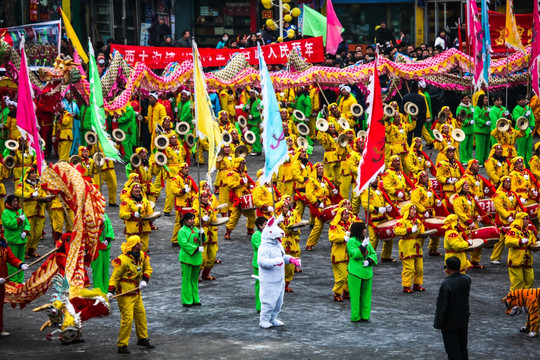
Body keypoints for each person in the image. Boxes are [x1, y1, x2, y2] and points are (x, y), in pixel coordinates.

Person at [107, 235, 154, 354]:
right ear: (134, 246)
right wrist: (110, 291)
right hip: (124, 293)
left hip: (136, 291)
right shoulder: (122, 259)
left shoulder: (142, 255)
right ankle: (122, 344)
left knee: (140, 315)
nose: (141, 244)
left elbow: (148, 269)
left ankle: (142, 338)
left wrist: (145, 279)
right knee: (127, 319)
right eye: (139, 243)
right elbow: (114, 277)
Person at [434, 256, 471, 360]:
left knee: (453, 349)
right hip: (463, 318)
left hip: (450, 321)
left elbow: (442, 305)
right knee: (463, 346)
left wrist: (438, 323)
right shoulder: (466, 279)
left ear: (447, 268)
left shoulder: (446, 283)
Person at [347, 222, 377, 322]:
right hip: (355, 273)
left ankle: (365, 316)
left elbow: (374, 254)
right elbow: (355, 255)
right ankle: (355, 316)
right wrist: (362, 246)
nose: (365, 230)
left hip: (367, 272)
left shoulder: (366, 241)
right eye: (363, 228)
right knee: (355, 296)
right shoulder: (351, 241)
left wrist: (369, 261)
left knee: (367, 296)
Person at [0, 236, 29, 336]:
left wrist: (20, 264)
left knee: (0, 305)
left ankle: (0, 328)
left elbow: (11, 258)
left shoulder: (3, 245)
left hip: (2, 282)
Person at [2, 195, 30, 283]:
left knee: (21, 261)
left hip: (21, 240)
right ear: (10, 202)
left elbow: (27, 223)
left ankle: (20, 279)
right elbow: (8, 224)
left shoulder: (21, 211)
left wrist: (25, 232)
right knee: (12, 261)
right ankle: (12, 279)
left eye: (17, 201)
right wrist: (18, 220)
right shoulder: (5, 213)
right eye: (14, 201)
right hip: (12, 240)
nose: (16, 203)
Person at [177, 212, 203, 307]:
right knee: (186, 279)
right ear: (185, 220)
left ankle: (195, 298)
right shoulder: (182, 231)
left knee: (194, 279)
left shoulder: (196, 229)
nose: (192, 221)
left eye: (193, 219)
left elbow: (202, 241)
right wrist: (196, 249)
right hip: (187, 258)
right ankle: (187, 300)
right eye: (190, 219)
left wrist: (202, 235)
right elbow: (184, 244)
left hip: (196, 258)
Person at [91, 213, 114, 293]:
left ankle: (105, 291)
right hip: (96, 248)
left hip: (105, 247)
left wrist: (107, 240)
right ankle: (99, 292)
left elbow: (110, 228)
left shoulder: (105, 215)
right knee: (98, 271)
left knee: (105, 270)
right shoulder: (89, 216)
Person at [251, 216, 267, 312]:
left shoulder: (267, 234)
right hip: (258, 263)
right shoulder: (256, 235)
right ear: (260, 226)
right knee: (259, 285)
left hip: (267, 262)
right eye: (265, 224)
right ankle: (259, 306)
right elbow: (262, 247)